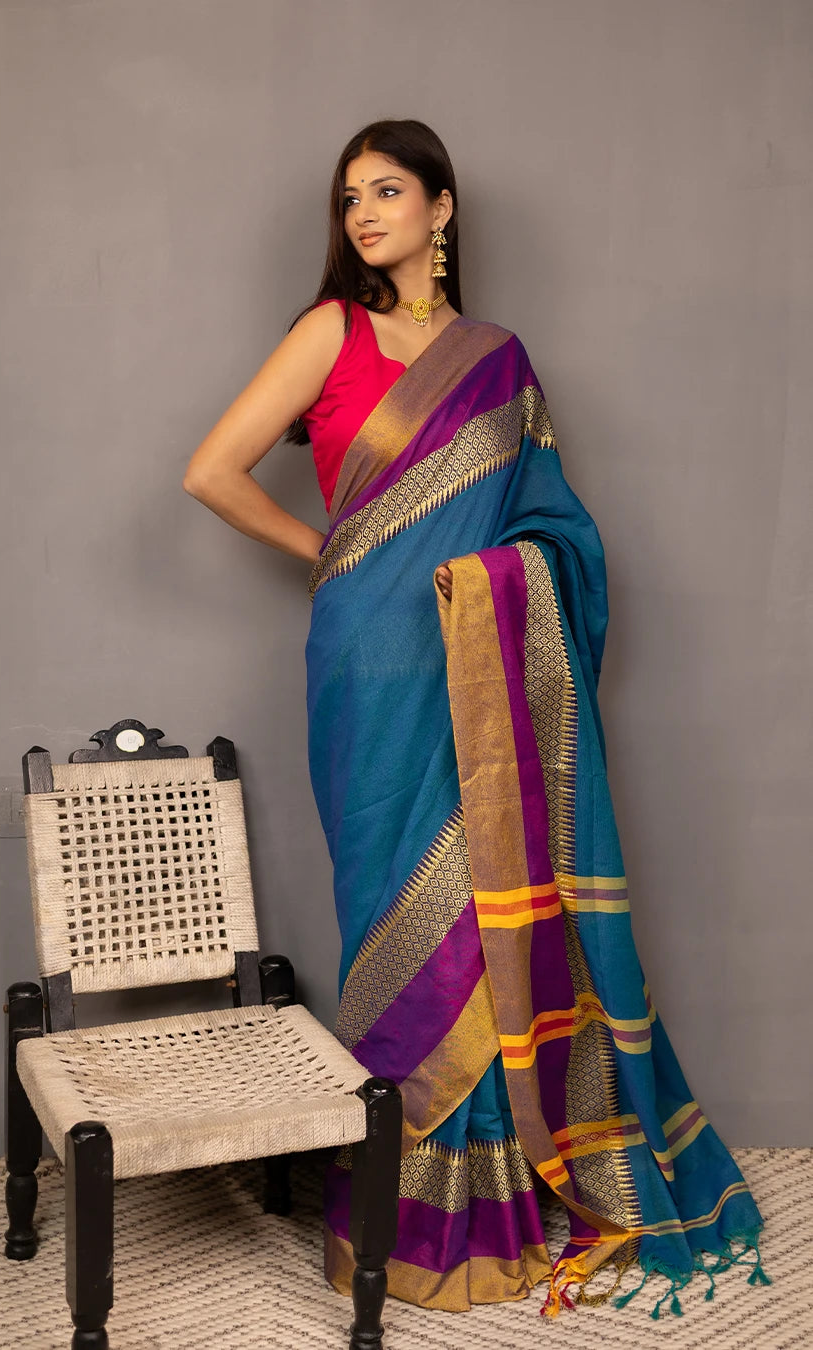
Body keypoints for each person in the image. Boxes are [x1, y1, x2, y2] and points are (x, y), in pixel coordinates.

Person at [183, 119, 767, 1319]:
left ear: (443, 210)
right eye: (349, 198)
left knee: (496, 897)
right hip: (370, 668)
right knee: (398, 913)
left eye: (388, 192)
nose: (364, 215)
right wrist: (333, 556)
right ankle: (416, 1209)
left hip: (481, 670)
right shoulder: (329, 333)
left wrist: (499, 590)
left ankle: (501, 1195)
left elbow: (561, 535)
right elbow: (213, 470)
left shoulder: (499, 359)